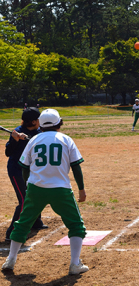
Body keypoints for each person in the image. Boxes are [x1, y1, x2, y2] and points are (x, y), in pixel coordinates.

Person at [2, 109, 89, 275]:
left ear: (40, 123)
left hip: (36, 188)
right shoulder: (66, 139)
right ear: (59, 123)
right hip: (61, 189)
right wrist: (81, 189)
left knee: (22, 224)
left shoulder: (33, 140)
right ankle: (75, 264)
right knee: (76, 226)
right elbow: (76, 167)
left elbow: (24, 168)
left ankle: (10, 260)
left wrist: (28, 185)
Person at [5, 107, 48, 242]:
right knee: (24, 200)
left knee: (36, 193)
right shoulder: (17, 132)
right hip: (16, 170)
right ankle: (11, 232)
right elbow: (8, 153)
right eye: (38, 119)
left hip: (31, 169)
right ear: (34, 121)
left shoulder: (39, 131)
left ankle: (36, 222)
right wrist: (15, 140)